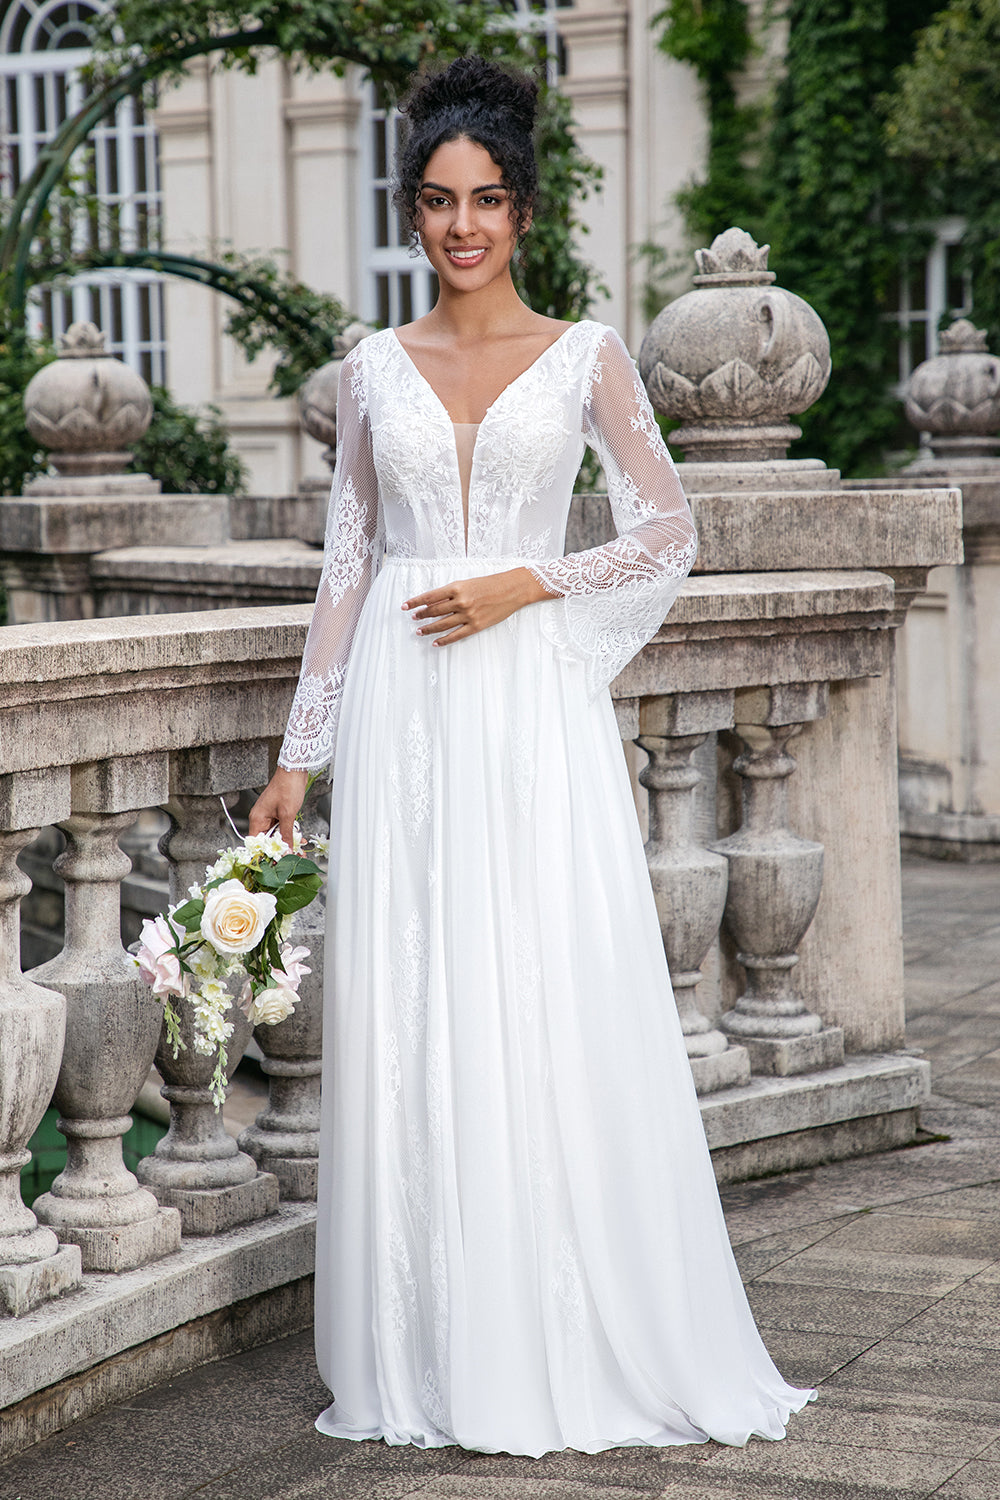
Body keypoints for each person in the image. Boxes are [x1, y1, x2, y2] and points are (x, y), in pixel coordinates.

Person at [249, 54, 814, 1458]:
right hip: (400, 712)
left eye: (486, 199)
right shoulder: (371, 369)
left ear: (523, 209)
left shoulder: (590, 354)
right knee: (419, 996)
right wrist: (296, 759)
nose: (461, 227)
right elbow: (345, 569)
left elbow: (666, 528)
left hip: (527, 705)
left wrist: (529, 585)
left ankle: (556, 1327)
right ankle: (429, 1336)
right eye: (437, 200)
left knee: (536, 984)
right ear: (410, 210)